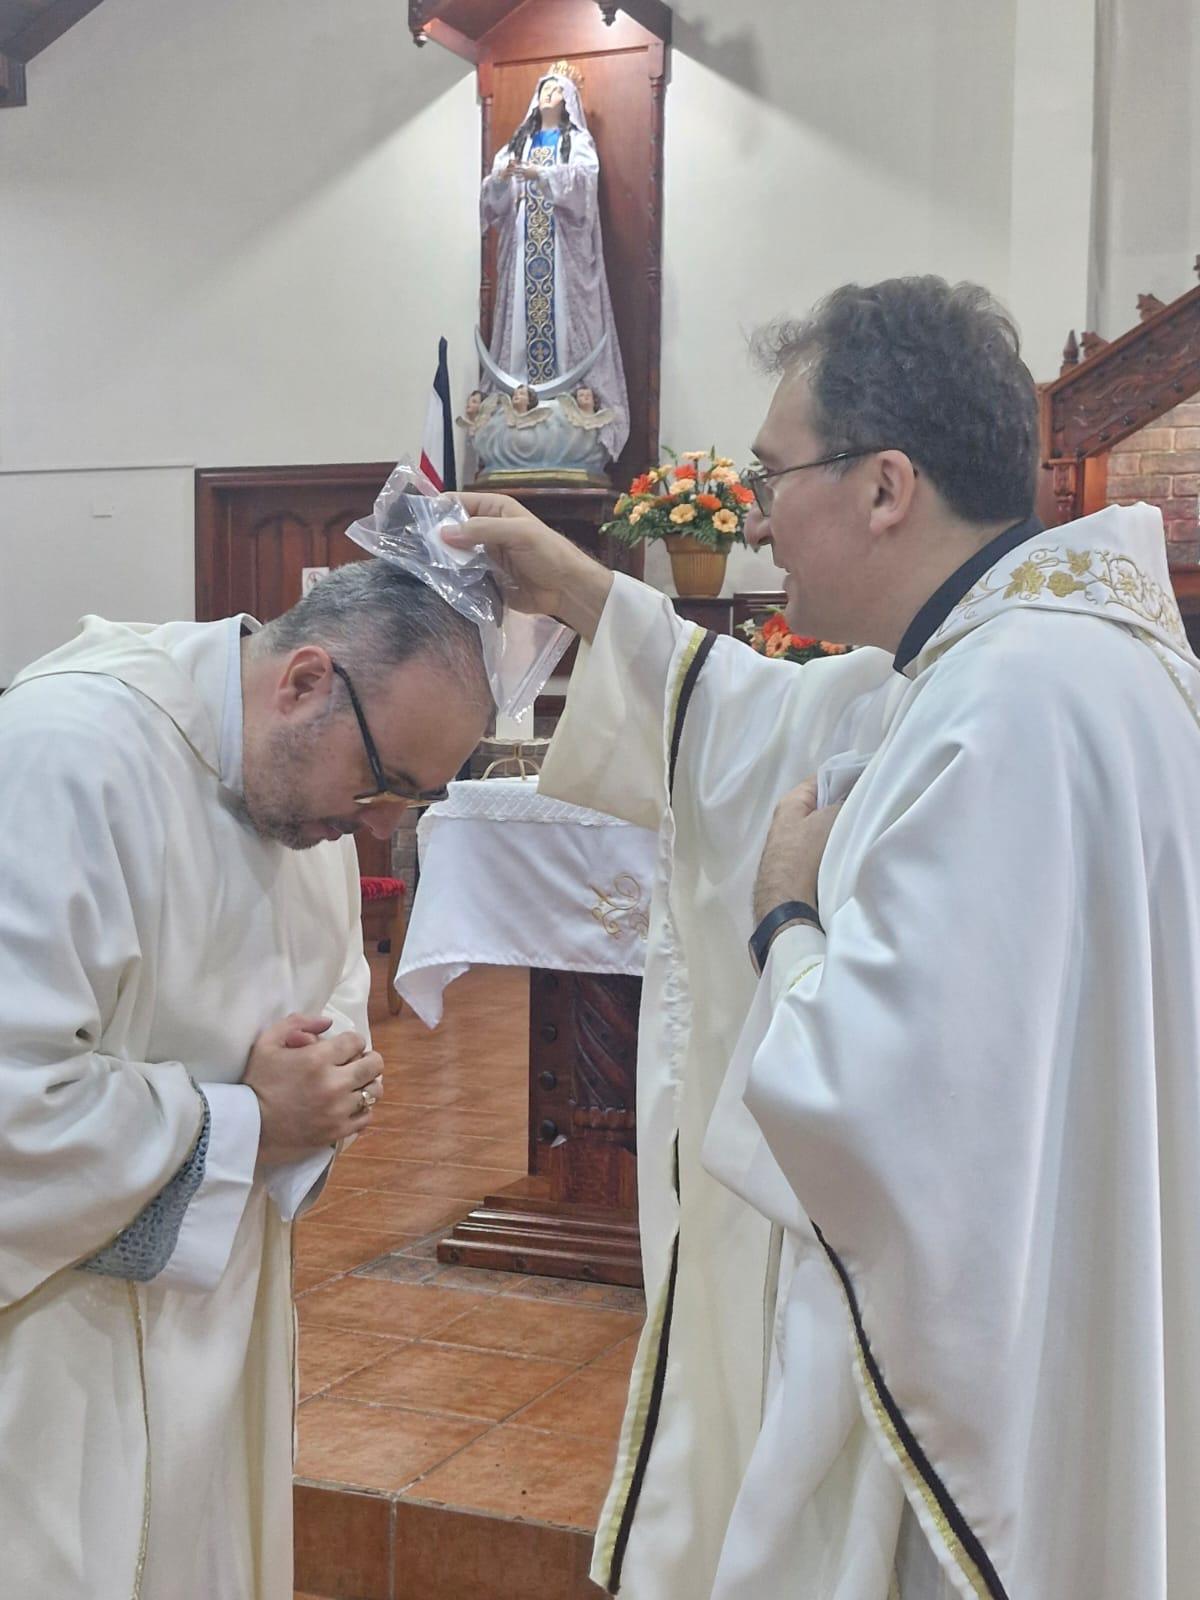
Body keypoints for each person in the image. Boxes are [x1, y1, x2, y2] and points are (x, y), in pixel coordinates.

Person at [451, 276, 1200, 1599]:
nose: (754, 515)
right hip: (1058, 1315)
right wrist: (578, 590)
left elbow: (873, 1110)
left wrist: (785, 917)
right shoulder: (1033, 664)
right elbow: (779, 723)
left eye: (770, 473)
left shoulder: (1004, 710)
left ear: (885, 486)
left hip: (960, 1377)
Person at [0, 559, 491, 1599]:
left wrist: (330, 1083)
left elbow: (335, 994)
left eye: (409, 800)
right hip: (61, 1338)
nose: (374, 827)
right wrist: (246, 1121)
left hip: (218, 1313)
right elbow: (13, 1091)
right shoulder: (66, 755)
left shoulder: (295, 790)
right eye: (382, 783)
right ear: (304, 680)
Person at [479, 62, 629, 463]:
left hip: (559, 251)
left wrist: (543, 176)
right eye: (543, 89)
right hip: (525, 245)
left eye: (556, 90)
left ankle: (568, 406)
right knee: (520, 326)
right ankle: (521, 402)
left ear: (568, 99)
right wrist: (500, 179)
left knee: (561, 324)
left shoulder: (575, 140)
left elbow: (583, 183)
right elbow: (493, 201)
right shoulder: (518, 143)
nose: (548, 95)